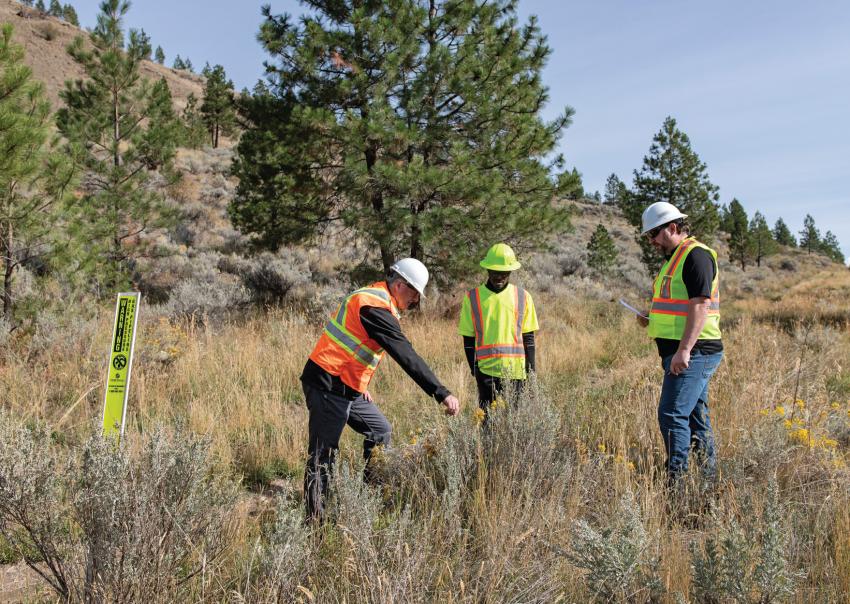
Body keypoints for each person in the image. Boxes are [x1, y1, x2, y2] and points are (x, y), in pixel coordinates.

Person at [301, 258, 460, 522]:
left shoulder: (379, 301)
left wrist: (361, 384)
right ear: (399, 285)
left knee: (380, 430)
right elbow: (406, 355)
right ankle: (315, 521)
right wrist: (441, 392)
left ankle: (367, 498)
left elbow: (356, 347)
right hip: (327, 383)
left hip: (348, 386)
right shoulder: (375, 307)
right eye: (415, 295)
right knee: (323, 455)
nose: (416, 302)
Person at [637, 202, 723, 484]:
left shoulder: (696, 256)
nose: (651, 241)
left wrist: (684, 350)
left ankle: (678, 483)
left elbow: (700, 306)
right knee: (697, 417)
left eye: (654, 234)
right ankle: (707, 481)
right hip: (683, 350)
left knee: (672, 415)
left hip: (694, 352)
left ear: (672, 228)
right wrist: (652, 317)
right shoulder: (675, 258)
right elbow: (677, 304)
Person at [458, 243, 539, 414]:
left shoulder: (523, 297)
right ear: (487, 270)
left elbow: (528, 339)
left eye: (504, 273)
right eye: (495, 272)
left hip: (516, 374)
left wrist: (531, 372)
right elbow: (468, 339)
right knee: (488, 422)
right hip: (487, 372)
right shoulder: (472, 298)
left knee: (515, 424)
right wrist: (475, 370)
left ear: (510, 272)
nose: (500, 277)